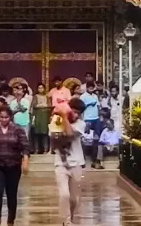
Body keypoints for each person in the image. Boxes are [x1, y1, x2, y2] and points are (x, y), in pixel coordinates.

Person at [0, 99, 30, 226]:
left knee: (11, 193)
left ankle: (10, 220)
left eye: (6, 117)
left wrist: (25, 160)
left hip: (13, 165)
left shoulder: (18, 130)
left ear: (10, 117)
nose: (3, 120)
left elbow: (25, 147)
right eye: (1, 117)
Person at [52, 96, 88, 226]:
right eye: (73, 111)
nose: (76, 114)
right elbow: (54, 138)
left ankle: (70, 218)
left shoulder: (81, 124)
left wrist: (65, 117)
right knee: (64, 195)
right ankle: (66, 221)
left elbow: (70, 134)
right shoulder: (57, 120)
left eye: (78, 113)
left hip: (76, 163)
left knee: (74, 199)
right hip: (60, 163)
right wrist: (58, 116)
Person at [80, 78, 103, 168]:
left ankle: (95, 160)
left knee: (96, 139)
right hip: (87, 119)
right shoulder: (83, 97)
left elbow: (98, 107)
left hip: (96, 119)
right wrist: (88, 104)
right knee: (85, 139)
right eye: (89, 87)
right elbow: (81, 108)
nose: (90, 88)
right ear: (86, 88)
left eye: (92, 87)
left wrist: (99, 116)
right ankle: (83, 160)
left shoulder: (95, 96)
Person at [31, 82, 50, 154]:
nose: (40, 89)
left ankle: (45, 149)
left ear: (44, 89)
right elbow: (34, 106)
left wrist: (41, 106)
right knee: (36, 134)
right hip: (37, 116)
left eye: (42, 88)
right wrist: (43, 105)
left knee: (45, 133)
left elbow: (49, 106)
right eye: (39, 88)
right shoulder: (35, 96)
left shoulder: (47, 97)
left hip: (45, 116)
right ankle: (36, 149)